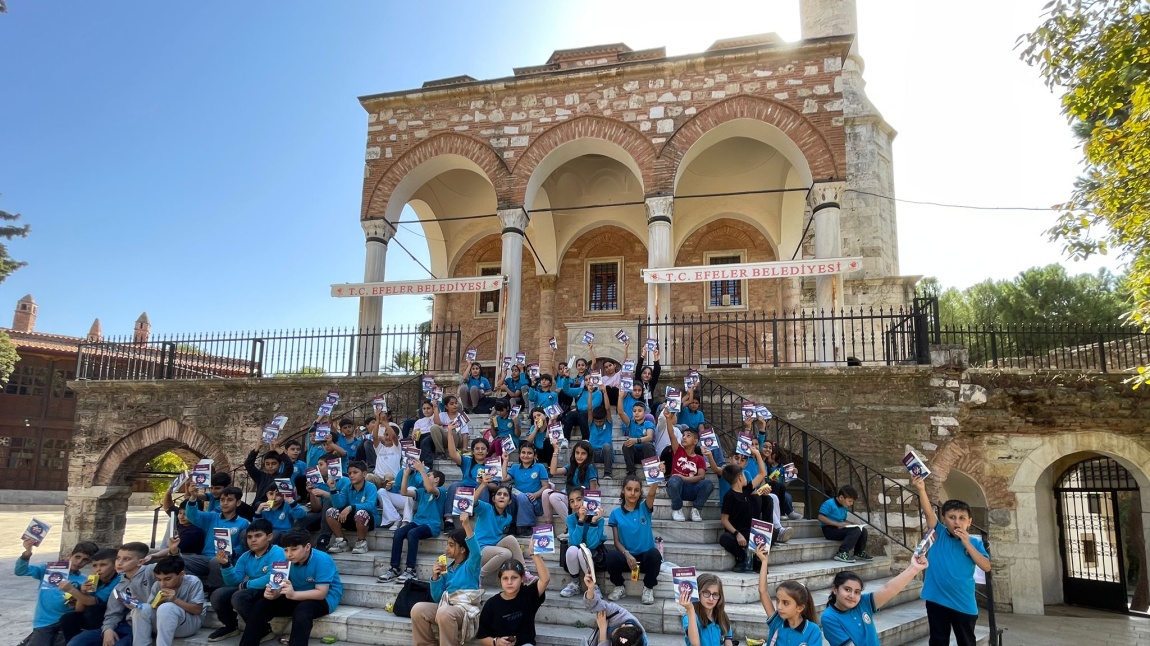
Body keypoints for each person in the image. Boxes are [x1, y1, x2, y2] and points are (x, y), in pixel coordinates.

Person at [912, 476, 991, 646]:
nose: (957, 522)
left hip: (963, 602)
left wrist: (967, 544)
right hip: (936, 599)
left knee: (967, 641)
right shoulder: (938, 534)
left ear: (969, 522)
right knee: (938, 641)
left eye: (962, 518)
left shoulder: (975, 543)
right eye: (952, 517)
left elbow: (985, 566)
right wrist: (921, 489)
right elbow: (927, 512)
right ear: (944, 519)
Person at [237, 529, 342, 646]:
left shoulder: (322, 559)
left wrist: (293, 595)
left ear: (307, 547)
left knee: (303, 611)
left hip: (324, 598)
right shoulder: (284, 560)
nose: (289, 554)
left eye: (294, 549)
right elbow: (278, 587)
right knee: (262, 605)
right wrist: (272, 593)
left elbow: (321, 593)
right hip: (295, 593)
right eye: (286, 550)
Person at [822, 555, 929, 646]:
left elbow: (889, 589)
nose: (852, 595)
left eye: (857, 592)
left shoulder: (862, 603)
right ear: (835, 589)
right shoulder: (829, 617)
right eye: (847, 589)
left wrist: (914, 568)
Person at [208, 519, 286, 641]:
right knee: (218, 594)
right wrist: (225, 565)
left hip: (273, 592)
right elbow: (233, 582)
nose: (253, 540)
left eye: (258, 536)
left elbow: (273, 577)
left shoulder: (278, 552)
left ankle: (263, 629)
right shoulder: (245, 556)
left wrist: (246, 585)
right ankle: (231, 626)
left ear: (269, 536)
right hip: (252, 590)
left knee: (239, 596)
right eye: (249, 537)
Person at [68, 542, 156, 646]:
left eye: (126, 559)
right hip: (124, 624)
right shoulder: (118, 587)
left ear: (140, 562)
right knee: (76, 642)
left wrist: (172, 552)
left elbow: (171, 566)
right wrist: (107, 629)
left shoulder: (150, 571)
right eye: (118, 558)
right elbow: (113, 612)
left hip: (145, 625)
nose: (119, 563)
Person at [411, 523, 484, 646]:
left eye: (451, 545)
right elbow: (438, 598)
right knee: (417, 609)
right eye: (447, 544)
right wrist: (435, 578)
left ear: (462, 549)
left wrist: (466, 525)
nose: (446, 548)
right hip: (446, 607)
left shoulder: (471, 566)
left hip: (464, 611)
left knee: (444, 612)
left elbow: (477, 553)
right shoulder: (446, 569)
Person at [15, 538, 96, 646]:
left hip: (66, 622)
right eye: (77, 557)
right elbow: (20, 571)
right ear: (69, 555)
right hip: (43, 621)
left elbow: (88, 603)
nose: (79, 562)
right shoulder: (50, 569)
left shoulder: (85, 579)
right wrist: (26, 554)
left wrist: (78, 597)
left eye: (85, 560)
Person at [377, 459, 445, 583]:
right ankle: (394, 568)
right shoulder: (421, 491)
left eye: (429, 475)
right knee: (398, 533)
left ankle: (411, 570)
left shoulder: (440, 491)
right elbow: (403, 492)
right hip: (417, 521)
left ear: (436, 480)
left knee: (412, 533)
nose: (426, 476)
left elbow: (430, 489)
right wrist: (406, 474)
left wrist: (421, 470)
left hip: (431, 525)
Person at [475, 541, 551, 646]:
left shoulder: (528, 595)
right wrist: (496, 642)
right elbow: (482, 636)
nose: (509, 582)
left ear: (522, 579)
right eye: (505, 578)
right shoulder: (491, 604)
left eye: (514, 577)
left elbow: (545, 579)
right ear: (500, 580)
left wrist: (535, 555)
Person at [605, 476, 663, 605]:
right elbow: (616, 541)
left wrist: (657, 476)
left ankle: (648, 588)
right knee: (611, 556)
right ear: (623, 490)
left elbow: (652, 493)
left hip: (645, 559)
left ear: (640, 492)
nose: (632, 493)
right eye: (629, 489)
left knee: (654, 554)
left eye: (636, 490)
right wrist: (627, 554)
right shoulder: (615, 513)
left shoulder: (644, 508)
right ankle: (619, 586)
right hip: (627, 558)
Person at [183, 484, 251, 588]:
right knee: (177, 560)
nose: (225, 503)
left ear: (237, 503)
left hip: (228, 560)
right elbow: (193, 516)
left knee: (216, 561)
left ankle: (213, 589)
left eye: (229, 500)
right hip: (205, 558)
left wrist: (232, 553)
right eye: (222, 500)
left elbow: (244, 546)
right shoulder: (211, 517)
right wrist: (192, 497)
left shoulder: (244, 523)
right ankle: (199, 586)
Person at [754, 545, 823, 646]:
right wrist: (764, 562)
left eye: (785, 603)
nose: (779, 607)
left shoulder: (813, 630)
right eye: (778, 601)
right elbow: (762, 591)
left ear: (799, 608)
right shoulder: (777, 622)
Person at [131, 555, 204, 646]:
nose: (163, 583)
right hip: (163, 625)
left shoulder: (193, 582)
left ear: (181, 574)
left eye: (167, 579)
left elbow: (197, 610)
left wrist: (175, 600)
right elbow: (151, 608)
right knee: (141, 608)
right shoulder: (157, 585)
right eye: (159, 579)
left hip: (188, 625)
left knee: (167, 607)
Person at [470, 478, 532, 584]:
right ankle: (479, 575)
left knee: (511, 539)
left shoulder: (508, 518)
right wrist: (483, 485)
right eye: (499, 494)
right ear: (494, 499)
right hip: (479, 549)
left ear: (510, 501)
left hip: (493, 547)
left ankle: (525, 572)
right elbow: (474, 502)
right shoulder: (486, 509)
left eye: (505, 495)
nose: (502, 496)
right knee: (506, 554)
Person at [59, 548, 121, 644]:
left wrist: (71, 590)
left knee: (93, 610)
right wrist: (83, 592)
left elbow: (92, 601)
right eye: (95, 566)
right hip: (94, 618)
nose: (98, 569)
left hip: (114, 616)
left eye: (103, 565)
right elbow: (79, 609)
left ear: (114, 565)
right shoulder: (94, 580)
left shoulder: (118, 580)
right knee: (68, 618)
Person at [664, 409, 713, 523]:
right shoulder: (678, 450)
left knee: (708, 484)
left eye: (688, 435)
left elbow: (701, 476)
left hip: (691, 488)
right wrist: (668, 419)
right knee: (674, 479)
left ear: (696, 441)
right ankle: (677, 509)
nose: (684, 437)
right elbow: (671, 435)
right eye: (683, 435)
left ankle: (696, 509)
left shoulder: (699, 458)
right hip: (677, 487)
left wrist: (685, 478)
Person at [325, 460, 380, 555]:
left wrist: (351, 507)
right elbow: (338, 505)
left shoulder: (371, 487)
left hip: (368, 520)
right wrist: (333, 489)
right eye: (349, 473)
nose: (351, 475)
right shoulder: (347, 487)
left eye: (355, 472)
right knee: (331, 512)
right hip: (351, 519)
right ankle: (341, 542)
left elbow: (370, 505)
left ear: (364, 474)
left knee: (361, 513)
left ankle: (361, 542)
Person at [559, 487, 606, 597]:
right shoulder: (570, 519)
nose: (576, 504)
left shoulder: (599, 519)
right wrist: (580, 520)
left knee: (582, 551)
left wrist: (593, 521)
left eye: (579, 499)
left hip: (595, 552)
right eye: (572, 501)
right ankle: (575, 583)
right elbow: (574, 542)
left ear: (586, 500)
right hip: (578, 548)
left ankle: (593, 585)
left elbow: (592, 544)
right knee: (572, 550)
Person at [369, 416, 413, 530]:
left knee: (388, 476)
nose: (388, 437)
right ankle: (373, 503)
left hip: (391, 481)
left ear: (398, 437)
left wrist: (384, 422)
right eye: (386, 434)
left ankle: (393, 516)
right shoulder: (380, 448)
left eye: (389, 434)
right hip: (378, 479)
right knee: (369, 477)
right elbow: (374, 437)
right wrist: (377, 421)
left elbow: (393, 436)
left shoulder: (397, 448)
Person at [444, 436, 493, 532]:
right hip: (464, 493)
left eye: (483, 449)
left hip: (480, 493)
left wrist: (484, 483)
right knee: (455, 485)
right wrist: (450, 432)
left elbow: (495, 486)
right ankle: (448, 520)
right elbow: (453, 454)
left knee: (482, 488)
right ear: (473, 451)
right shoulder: (467, 461)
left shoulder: (491, 465)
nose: (480, 451)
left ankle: (481, 519)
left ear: (487, 451)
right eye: (477, 449)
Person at [584, 570, 646, 646]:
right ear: (623, 625)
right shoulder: (616, 613)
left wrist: (603, 631)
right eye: (615, 631)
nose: (612, 634)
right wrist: (590, 589)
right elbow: (594, 605)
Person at [818, 486, 873, 564]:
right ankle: (841, 552)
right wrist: (837, 524)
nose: (851, 504)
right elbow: (820, 517)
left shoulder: (844, 506)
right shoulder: (829, 503)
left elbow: (842, 520)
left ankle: (859, 552)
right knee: (855, 531)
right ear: (841, 497)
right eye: (850, 501)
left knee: (862, 530)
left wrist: (852, 523)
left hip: (839, 528)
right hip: (829, 530)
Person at [507, 443, 552, 536]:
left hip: (535, 501)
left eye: (529, 453)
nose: (526, 455)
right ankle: (510, 525)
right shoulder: (515, 467)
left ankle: (526, 527)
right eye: (523, 452)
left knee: (523, 497)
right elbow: (503, 478)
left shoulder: (540, 467)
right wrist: (505, 460)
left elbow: (546, 486)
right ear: (519, 454)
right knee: (507, 496)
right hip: (517, 500)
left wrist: (535, 495)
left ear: (535, 455)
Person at [678, 573, 733, 646]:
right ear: (698, 593)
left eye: (715, 594)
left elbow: (728, 638)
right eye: (706, 593)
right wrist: (690, 610)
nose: (711, 599)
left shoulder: (721, 615)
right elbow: (695, 643)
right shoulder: (689, 617)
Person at [562, 373, 605, 441]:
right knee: (570, 414)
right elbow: (566, 390)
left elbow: (592, 406)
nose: (588, 381)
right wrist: (567, 377)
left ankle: (586, 439)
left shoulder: (598, 393)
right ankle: (565, 439)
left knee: (582, 414)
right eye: (586, 379)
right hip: (579, 415)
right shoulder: (580, 390)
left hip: (590, 415)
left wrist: (578, 408)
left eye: (590, 379)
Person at [620, 402, 656, 477]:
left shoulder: (648, 423)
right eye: (634, 411)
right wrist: (620, 396)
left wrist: (636, 440)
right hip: (634, 455)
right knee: (626, 445)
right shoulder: (631, 423)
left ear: (645, 413)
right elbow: (620, 412)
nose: (636, 413)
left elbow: (650, 437)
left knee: (648, 445)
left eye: (639, 411)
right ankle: (631, 473)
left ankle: (652, 475)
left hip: (646, 454)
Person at [585, 406, 615, 479]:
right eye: (596, 421)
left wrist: (605, 393)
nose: (598, 423)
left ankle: (607, 473)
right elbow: (589, 408)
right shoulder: (591, 424)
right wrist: (589, 394)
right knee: (586, 446)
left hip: (604, 453)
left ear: (605, 418)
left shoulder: (608, 423)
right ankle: (591, 474)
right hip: (593, 454)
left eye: (600, 421)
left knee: (607, 446)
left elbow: (607, 408)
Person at [633, 346, 661, 412]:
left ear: (651, 376)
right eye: (645, 373)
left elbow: (657, 371)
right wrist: (643, 354)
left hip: (650, 409)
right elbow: (638, 368)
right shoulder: (638, 382)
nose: (647, 375)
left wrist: (655, 357)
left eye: (649, 374)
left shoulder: (651, 384)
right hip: (640, 408)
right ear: (641, 374)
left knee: (659, 404)